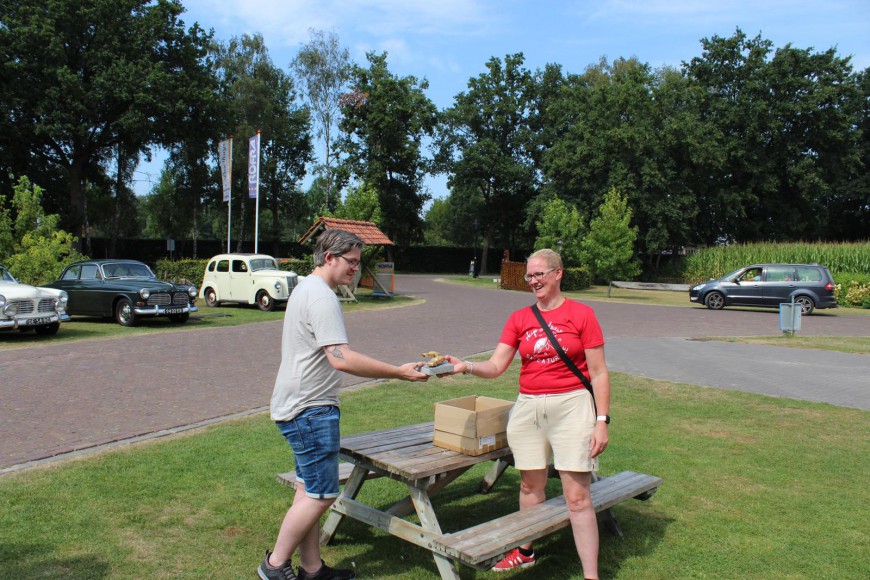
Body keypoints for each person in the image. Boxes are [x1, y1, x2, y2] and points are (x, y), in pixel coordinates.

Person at [259, 229, 429, 580]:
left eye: (357, 261)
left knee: (308, 490)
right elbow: (341, 358)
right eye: (351, 261)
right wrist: (398, 372)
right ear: (329, 257)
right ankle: (273, 566)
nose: (356, 268)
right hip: (310, 409)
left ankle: (312, 570)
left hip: (300, 405)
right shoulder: (321, 297)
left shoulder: (306, 287)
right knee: (321, 495)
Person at [445, 249, 611, 580]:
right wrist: (467, 366)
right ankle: (525, 552)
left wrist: (601, 422)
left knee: (577, 496)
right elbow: (496, 365)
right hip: (528, 407)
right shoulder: (519, 318)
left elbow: (599, 372)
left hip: (572, 406)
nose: (533, 281)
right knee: (529, 486)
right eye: (529, 276)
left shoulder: (582, 314)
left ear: (557, 273)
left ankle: (591, 575)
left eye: (539, 274)